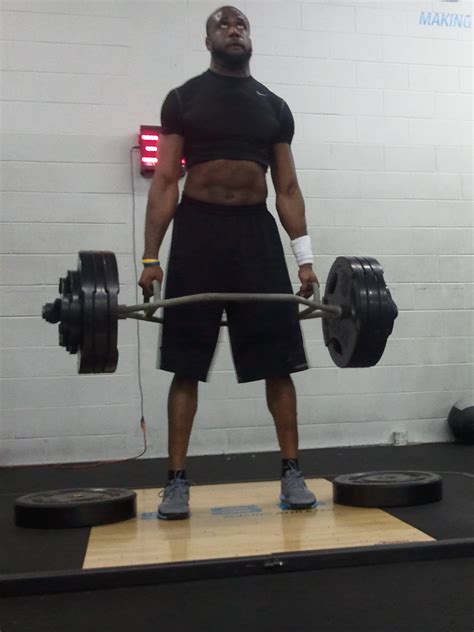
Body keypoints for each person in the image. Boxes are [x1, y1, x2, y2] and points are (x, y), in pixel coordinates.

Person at [139, 5, 319, 520]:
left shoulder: (274, 107)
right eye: (223, 24)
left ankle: (292, 472)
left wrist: (304, 259)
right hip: (198, 231)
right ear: (208, 41)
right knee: (185, 365)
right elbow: (166, 181)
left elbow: (287, 187)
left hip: (255, 235)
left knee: (279, 363)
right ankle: (176, 481)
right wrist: (151, 257)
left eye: (241, 24)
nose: (234, 29)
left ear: (249, 38)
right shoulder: (184, 99)